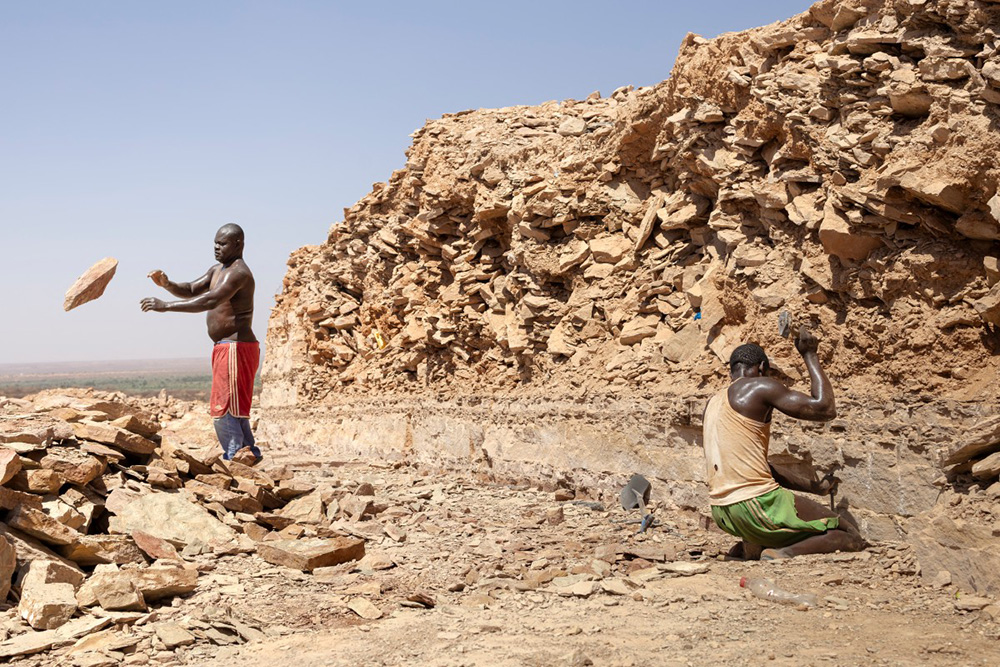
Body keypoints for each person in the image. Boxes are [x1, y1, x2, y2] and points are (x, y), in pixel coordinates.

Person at [702, 326, 862, 560]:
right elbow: (825, 409)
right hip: (756, 504)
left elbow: (763, 469)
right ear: (763, 368)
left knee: (789, 522)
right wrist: (809, 355)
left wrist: (815, 488)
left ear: (732, 371)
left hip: (723, 513)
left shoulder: (713, 402)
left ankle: (754, 543)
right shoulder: (760, 385)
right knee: (850, 535)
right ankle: (783, 553)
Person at [140, 223, 262, 464]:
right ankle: (247, 455)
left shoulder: (239, 272)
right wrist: (167, 284)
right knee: (233, 409)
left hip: (235, 347)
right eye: (215, 243)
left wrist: (165, 306)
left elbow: (210, 300)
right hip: (226, 347)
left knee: (224, 408)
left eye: (223, 243)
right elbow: (192, 289)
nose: (217, 248)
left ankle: (235, 456)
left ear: (238, 244)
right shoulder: (218, 269)